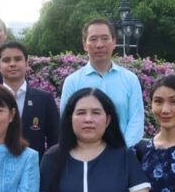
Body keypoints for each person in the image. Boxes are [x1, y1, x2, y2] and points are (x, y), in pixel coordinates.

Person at [0, 40, 61, 192]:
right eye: (6, 60)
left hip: (34, 181)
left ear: (26, 63)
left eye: (17, 59)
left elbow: (56, 142)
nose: (12, 64)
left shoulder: (43, 98)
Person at [59, 19, 144, 148]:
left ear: (114, 42)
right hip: (83, 154)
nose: (99, 45)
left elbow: (136, 120)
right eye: (93, 39)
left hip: (122, 153)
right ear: (84, 44)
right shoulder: (72, 82)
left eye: (105, 38)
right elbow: (67, 121)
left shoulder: (130, 80)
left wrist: (122, 151)